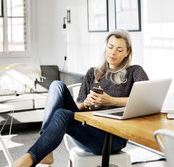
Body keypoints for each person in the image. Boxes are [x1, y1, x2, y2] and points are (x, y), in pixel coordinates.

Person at [14, 29, 149, 167]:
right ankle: (45, 148)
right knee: (57, 85)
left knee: (62, 114)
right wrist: (85, 103)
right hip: (86, 132)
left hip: (112, 139)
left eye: (119, 49)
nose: (113, 52)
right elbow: (77, 109)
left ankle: (31, 158)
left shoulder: (135, 72)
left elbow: (146, 100)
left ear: (127, 52)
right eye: (110, 47)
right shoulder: (93, 73)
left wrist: (111, 101)